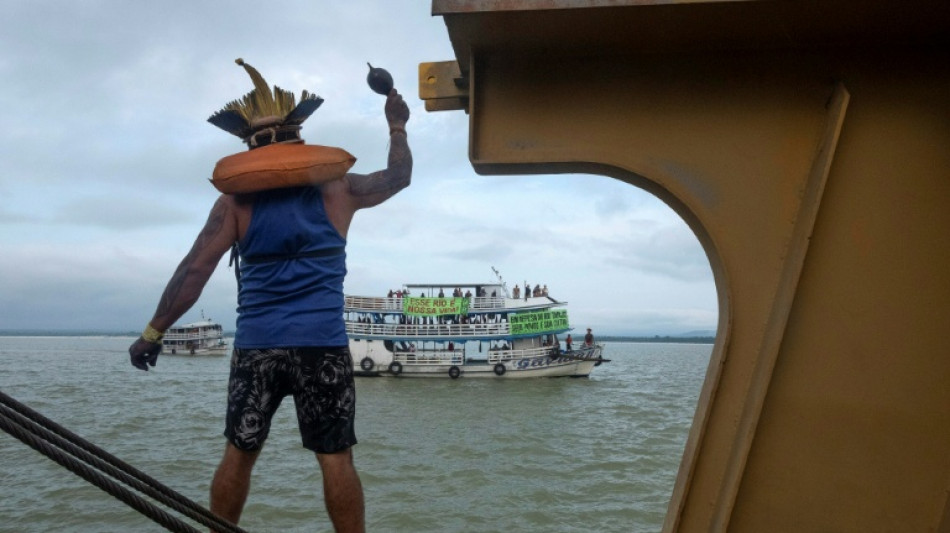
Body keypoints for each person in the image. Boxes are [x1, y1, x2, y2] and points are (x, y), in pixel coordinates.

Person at [127, 61, 412, 533]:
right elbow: (398, 176)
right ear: (299, 137)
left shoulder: (235, 204)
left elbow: (193, 271)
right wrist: (397, 125)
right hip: (322, 343)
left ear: (250, 146)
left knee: (239, 454)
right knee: (336, 458)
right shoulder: (338, 189)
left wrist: (154, 333)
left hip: (257, 345)